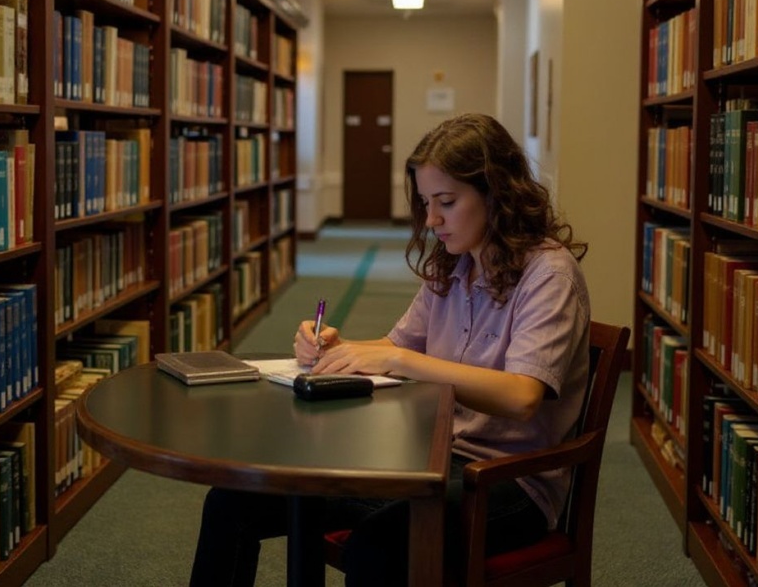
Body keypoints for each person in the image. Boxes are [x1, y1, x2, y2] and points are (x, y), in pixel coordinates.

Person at [189, 113, 590, 586]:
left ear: (496, 193)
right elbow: (396, 345)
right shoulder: (454, 266)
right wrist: (339, 346)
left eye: (446, 201)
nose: (432, 219)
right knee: (233, 501)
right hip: (427, 461)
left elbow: (522, 396)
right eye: (425, 203)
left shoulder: (548, 274)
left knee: (378, 545)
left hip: (506, 484)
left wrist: (399, 361)